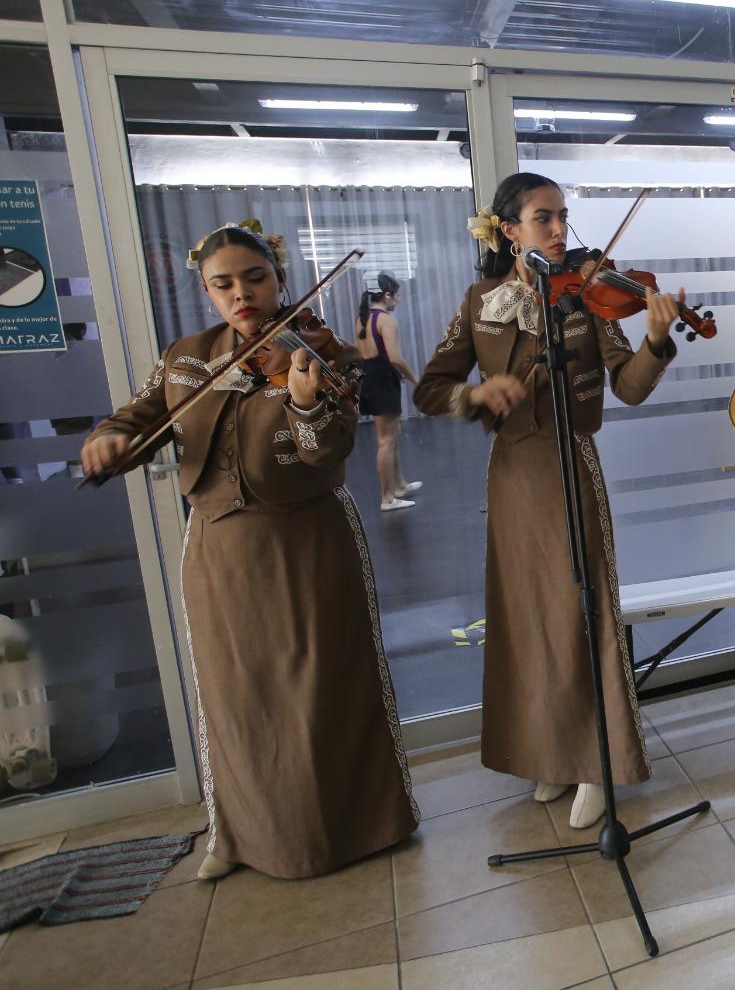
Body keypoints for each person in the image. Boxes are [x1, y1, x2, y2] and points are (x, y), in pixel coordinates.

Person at [79, 220, 417, 880]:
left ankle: (354, 827)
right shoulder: (186, 357)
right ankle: (238, 833)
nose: (242, 294)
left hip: (306, 540)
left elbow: (328, 449)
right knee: (235, 697)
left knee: (320, 687)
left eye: (256, 278)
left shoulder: (323, 354)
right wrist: (109, 440)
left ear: (280, 279)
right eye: (223, 284)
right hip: (219, 546)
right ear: (207, 291)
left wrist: (304, 402)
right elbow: (138, 415)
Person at [414, 173, 682, 830]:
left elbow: (630, 388)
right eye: (544, 218)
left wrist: (655, 340)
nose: (561, 230)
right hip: (512, 473)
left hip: (571, 466)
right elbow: (430, 389)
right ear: (510, 231)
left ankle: (596, 761)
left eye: (563, 216)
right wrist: (475, 395)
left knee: (581, 609)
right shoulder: (481, 301)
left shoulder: (589, 295)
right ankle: (551, 752)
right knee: (529, 615)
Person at [354, 271, 422, 511]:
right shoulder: (386, 320)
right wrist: (416, 380)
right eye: (397, 296)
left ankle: (399, 485)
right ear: (386, 295)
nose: (398, 301)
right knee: (386, 440)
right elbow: (395, 358)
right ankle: (387, 498)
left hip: (371, 375)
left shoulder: (362, 318)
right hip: (382, 377)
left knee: (393, 434)